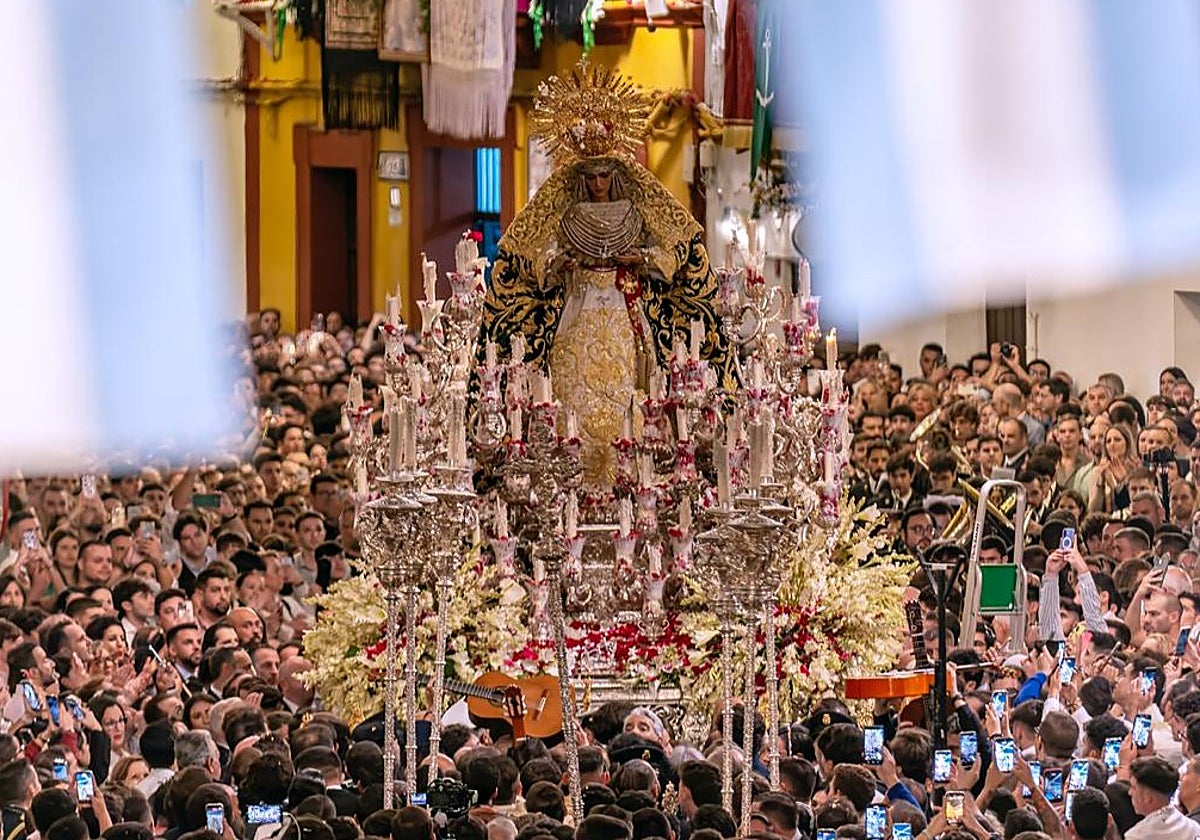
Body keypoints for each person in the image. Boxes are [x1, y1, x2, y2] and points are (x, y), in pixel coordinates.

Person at [477, 62, 732, 488]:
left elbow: (674, 253)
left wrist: (644, 259)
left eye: (603, 175)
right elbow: (534, 258)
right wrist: (558, 265)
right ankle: (569, 479)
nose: (597, 184)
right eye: (589, 176)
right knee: (570, 394)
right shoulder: (563, 210)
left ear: (616, 173)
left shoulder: (637, 207)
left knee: (625, 396)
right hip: (574, 313)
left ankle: (631, 478)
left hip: (623, 310)